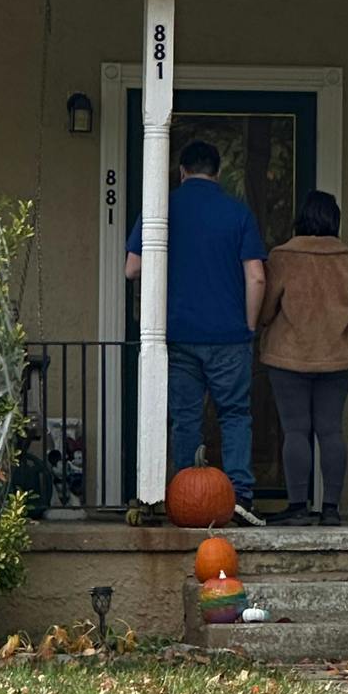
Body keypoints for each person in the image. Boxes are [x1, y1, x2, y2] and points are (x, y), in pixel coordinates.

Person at [125, 139, 266, 518]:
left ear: (182, 171)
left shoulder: (161, 211)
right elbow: (256, 277)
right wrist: (248, 325)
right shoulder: (238, 214)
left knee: (185, 417)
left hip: (179, 333)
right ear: (217, 173)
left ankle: (185, 495)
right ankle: (239, 494)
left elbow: (132, 268)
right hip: (229, 336)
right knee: (235, 414)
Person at [257, 190, 348, 526]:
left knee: (295, 432)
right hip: (336, 359)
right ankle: (332, 507)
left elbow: (265, 311)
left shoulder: (282, 258)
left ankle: (297, 506)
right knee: (331, 431)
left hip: (287, 358)